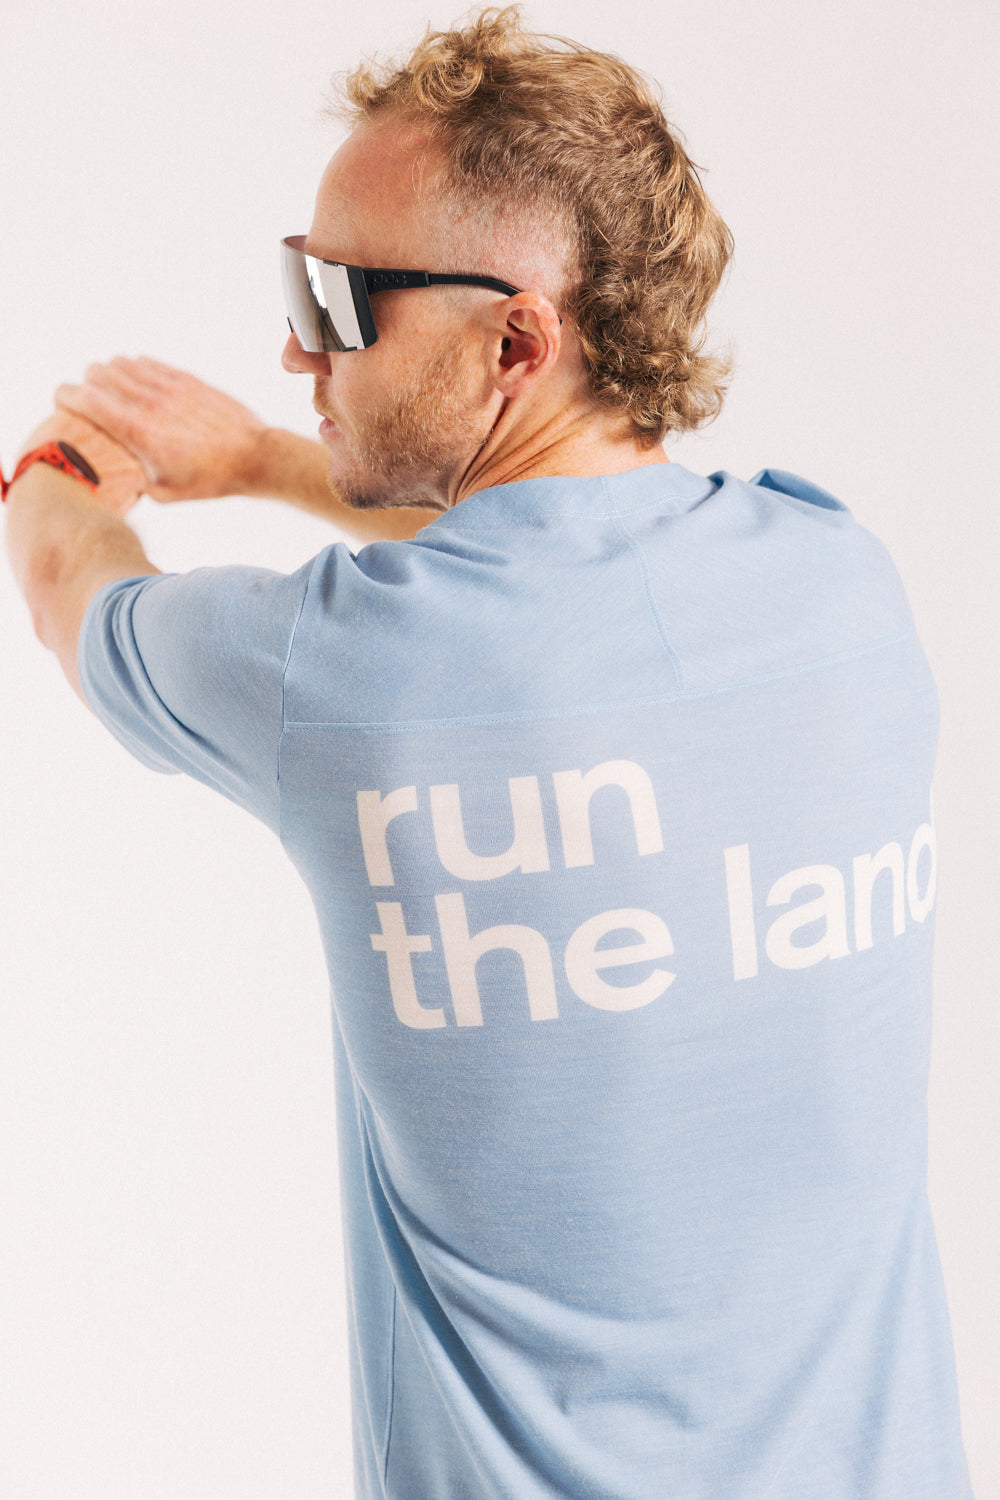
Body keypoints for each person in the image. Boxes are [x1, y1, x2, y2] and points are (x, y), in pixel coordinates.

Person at [2, 7, 975, 1498]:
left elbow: (79, 590)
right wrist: (276, 460)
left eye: (339, 299)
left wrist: (62, 472)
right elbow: (519, 601)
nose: (292, 343)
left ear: (518, 336)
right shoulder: (841, 581)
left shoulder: (329, 675)